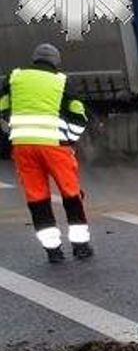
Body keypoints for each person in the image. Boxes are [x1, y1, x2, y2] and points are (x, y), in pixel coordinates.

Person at [0, 43, 93, 263]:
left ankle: (53, 250)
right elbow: (79, 115)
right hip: (54, 146)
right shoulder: (61, 80)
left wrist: (13, 130)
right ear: (55, 61)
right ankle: (80, 247)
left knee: (37, 197)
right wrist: (70, 138)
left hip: (23, 146)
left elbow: (3, 107)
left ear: (34, 60)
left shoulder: (14, 78)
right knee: (71, 195)